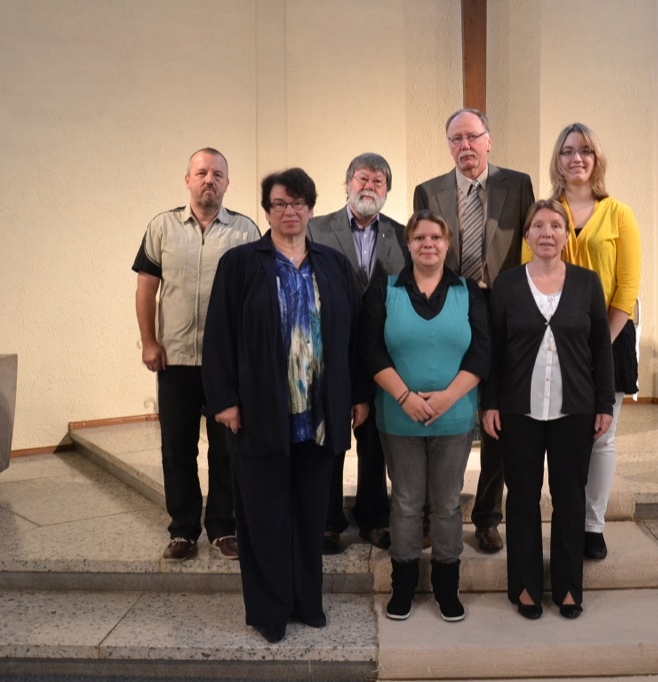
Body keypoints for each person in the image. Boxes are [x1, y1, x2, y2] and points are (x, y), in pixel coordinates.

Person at [202, 168, 367, 644]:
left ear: (311, 209)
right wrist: (226, 401)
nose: (290, 212)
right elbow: (218, 337)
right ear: (267, 210)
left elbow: (352, 338)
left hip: (318, 417)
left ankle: (306, 602)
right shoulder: (239, 264)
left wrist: (356, 395)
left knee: (312, 515)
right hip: (258, 414)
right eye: (280, 204)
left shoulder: (333, 265)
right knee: (264, 517)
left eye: (298, 204)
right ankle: (270, 610)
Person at [482, 199, 614, 621]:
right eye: (537, 225)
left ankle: (569, 588)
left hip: (573, 409)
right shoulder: (506, 285)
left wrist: (604, 403)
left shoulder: (587, 283)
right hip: (519, 410)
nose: (546, 233)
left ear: (566, 235)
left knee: (570, 498)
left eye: (556, 225)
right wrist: (490, 403)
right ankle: (524, 586)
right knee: (521, 498)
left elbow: (600, 350)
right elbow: (493, 352)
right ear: (527, 236)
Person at [413, 108, 534, 554]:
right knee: (441, 408)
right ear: (449, 145)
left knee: (497, 414)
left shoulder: (517, 184)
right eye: (455, 139)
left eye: (472, 137)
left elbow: (528, 244)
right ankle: (428, 514)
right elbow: (426, 253)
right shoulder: (429, 190)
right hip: (450, 309)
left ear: (489, 139)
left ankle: (487, 517)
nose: (464, 146)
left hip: (502, 309)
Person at [132, 147, 259, 563]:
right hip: (176, 360)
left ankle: (223, 527)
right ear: (187, 179)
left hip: (227, 364)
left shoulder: (245, 231)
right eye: (201, 172)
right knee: (177, 448)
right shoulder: (162, 227)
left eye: (218, 174)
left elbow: (258, 298)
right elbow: (147, 287)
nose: (209, 180)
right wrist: (149, 342)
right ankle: (183, 529)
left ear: (227, 182)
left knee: (226, 448)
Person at [362, 209, 489, 622]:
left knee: (448, 506)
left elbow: (482, 352)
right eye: (420, 238)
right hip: (399, 418)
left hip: (454, 418)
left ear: (447, 244)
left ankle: (446, 588)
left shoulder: (469, 291)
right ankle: (403, 587)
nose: (428, 244)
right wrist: (405, 397)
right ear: (408, 244)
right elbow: (371, 350)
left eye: (436, 237)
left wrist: (449, 397)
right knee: (405, 502)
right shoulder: (385, 289)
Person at [547, 123, 641, 561]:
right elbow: (533, 273)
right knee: (565, 436)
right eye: (567, 151)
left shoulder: (619, 213)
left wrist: (598, 344)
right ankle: (566, 517)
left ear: (596, 159)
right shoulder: (547, 212)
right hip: (554, 341)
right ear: (558, 160)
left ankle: (592, 525)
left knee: (601, 437)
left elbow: (627, 288)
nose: (576, 158)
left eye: (584, 151)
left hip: (610, 338)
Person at [307, 153, 407, 555]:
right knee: (330, 437)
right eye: (362, 178)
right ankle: (328, 521)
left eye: (379, 181)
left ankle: (374, 518)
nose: (369, 186)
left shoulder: (402, 234)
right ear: (347, 184)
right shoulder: (315, 229)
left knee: (375, 442)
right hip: (329, 353)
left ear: (387, 191)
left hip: (381, 354)